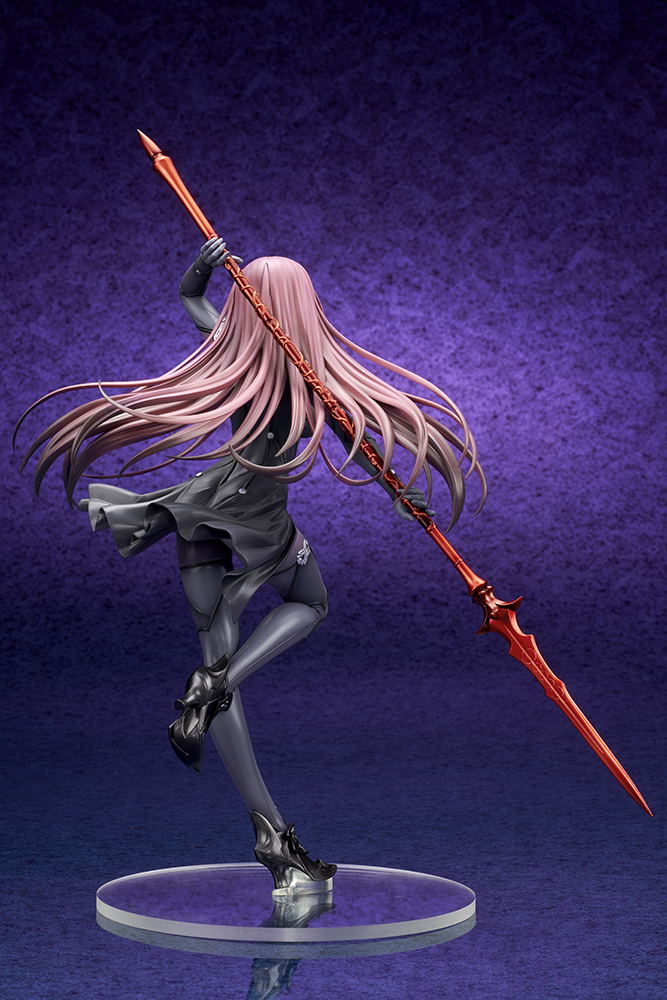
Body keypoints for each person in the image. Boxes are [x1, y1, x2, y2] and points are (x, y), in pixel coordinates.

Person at [19, 238, 485, 894]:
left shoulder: (236, 353)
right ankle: (215, 686)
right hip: (258, 519)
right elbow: (359, 446)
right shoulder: (310, 379)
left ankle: (271, 836)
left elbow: (190, 297)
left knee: (221, 652)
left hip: (198, 508)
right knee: (309, 603)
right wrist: (401, 496)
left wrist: (203, 268)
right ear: (303, 307)